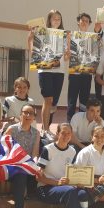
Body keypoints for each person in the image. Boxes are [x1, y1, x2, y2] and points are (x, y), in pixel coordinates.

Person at [36, 123, 95, 208]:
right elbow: (38, 177)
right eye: (63, 133)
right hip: (45, 188)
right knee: (70, 191)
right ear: (57, 134)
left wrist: (78, 181)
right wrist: (57, 183)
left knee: (83, 194)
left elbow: (72, 173)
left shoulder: (72, 150)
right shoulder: (48, 149)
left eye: (69, 133)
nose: (66, 136)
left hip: (65, 188)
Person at [28, 9, 70, 139]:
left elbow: (67, 58)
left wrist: (68, 54)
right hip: (45, 70)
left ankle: (47, 127)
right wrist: (30, 38)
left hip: (59, 71)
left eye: (59, 18)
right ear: (49, 20)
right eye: (54, 18)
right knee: (48, 99)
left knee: (54, 104)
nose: (56, 21)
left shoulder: (64, 35)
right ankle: (45, 129)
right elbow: (33, 53)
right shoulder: (41, 34)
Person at [4, 104, 40, 208]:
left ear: (34, 117)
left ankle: (27, 190)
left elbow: (35, 154)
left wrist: (36, 165)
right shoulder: (11, 129)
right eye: (25, 112)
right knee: (20, 176)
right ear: (20, 114)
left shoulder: (36, 133)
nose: (28, 115)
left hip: (27, 165)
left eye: (31, 113)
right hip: (12, 166)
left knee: (35, 171)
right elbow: (2, 149)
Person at [67, 13, 93, 121]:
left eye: (87, 21)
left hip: (87, 73)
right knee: (72, 99)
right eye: (82, 20)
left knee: (84, 100)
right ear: (78, 22)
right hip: (74, 72)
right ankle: (69, 121)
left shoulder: (93, 38)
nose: (84, 22)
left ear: (89, 24)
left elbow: (95, 55)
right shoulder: (71, 35)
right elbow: (67, 52)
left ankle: (82, 121)